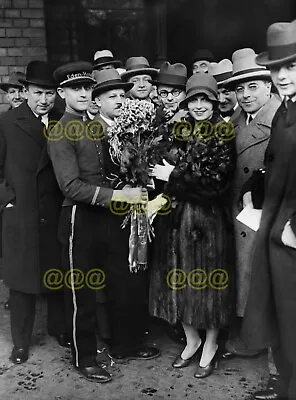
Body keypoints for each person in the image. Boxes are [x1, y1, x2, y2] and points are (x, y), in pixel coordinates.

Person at [48, 64, 160, 383]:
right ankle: (84, 358)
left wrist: (122, 188)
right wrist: (119, 197)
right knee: (80, 293)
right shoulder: (60, 130)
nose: (83, 93)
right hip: (77, 220)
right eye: (75, 89)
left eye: (87, 88)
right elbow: (70, 186)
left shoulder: (93, 126)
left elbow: (104, 171)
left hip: (105, 217)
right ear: (62, 94)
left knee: (120, 280)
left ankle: (126, 343)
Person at [149, 73, 235, 378]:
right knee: (177, 283)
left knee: (208, 287)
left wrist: (173, 176)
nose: (199, 105)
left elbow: (216, 185)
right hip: (177, 220)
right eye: (194, 99)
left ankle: (210, 344)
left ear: (214, 101)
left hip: (208, 223)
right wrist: (168, 185)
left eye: (205, 99)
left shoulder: (224, 132)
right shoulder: (179, 130)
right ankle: (191, 339)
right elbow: (166, 174)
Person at [241, 20, 296, 400]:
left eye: (292, 66)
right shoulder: (285, 112)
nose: (283, 76)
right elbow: (276, 165)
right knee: (281, 319)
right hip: (275, 229)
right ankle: (285, 385)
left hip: (292, 236)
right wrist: (253, 190)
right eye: (277, 68)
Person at [0, 60, 67, 364]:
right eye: (38, 93)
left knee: (56, 273)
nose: (44, 100)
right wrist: (7, 200)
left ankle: (58, 329)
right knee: (22, 282)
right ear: (25, 91)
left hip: (54, 209)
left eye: (50, 94)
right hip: (22, 212)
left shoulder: (64, 120)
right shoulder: (7, 122)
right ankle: (21, 342)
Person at [220, 49, 281, 363]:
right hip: (240, 213)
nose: (244, 94)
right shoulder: (236, 119)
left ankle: (275, 362)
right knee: (247, 278)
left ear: (269, 85)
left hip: (266, 214)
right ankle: (254, 340)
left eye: (252, 86)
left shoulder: (281, 121)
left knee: (271, 283)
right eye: (239, 88)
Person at [0, 71, 26, 311]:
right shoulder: (4, 122)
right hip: (14, 197)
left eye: (19, 91)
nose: (16, 96)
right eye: (11, 92)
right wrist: (6, 199)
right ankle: (15, 293)